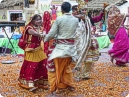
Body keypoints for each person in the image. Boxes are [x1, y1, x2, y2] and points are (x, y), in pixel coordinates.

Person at [44, 2, 79, 95]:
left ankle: (53, 87)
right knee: (66, 67)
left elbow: (52, 33)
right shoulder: (76, 20)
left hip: (60, 49)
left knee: (53, 67)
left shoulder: (59, 19)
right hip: (71, 49)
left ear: (61, 10)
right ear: (70, 9)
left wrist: (45, 39)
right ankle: (68, 84)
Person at [72, 5, 104, 80]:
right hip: (79, 41)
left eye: (85, 10)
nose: (84, 11)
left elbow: (98, 18)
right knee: (79, 58)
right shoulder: (75, 19)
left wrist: (102, 11)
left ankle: (85, 74)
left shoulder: (89, 19)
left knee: (89, 59)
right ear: (79, 11)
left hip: (89, 41)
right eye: (82, 10)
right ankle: (77, 75)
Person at [18, 14, 48, 90]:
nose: (39, 21)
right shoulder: (29, 27)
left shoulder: (40, 28)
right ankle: (29, 83)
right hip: (31, 49)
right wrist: (42, 35)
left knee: (43, 63)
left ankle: (39, 82)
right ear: (33, 21)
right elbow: (33, 33)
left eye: (40, 19)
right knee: (32, 65)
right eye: (37, 19)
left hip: (38, 48)